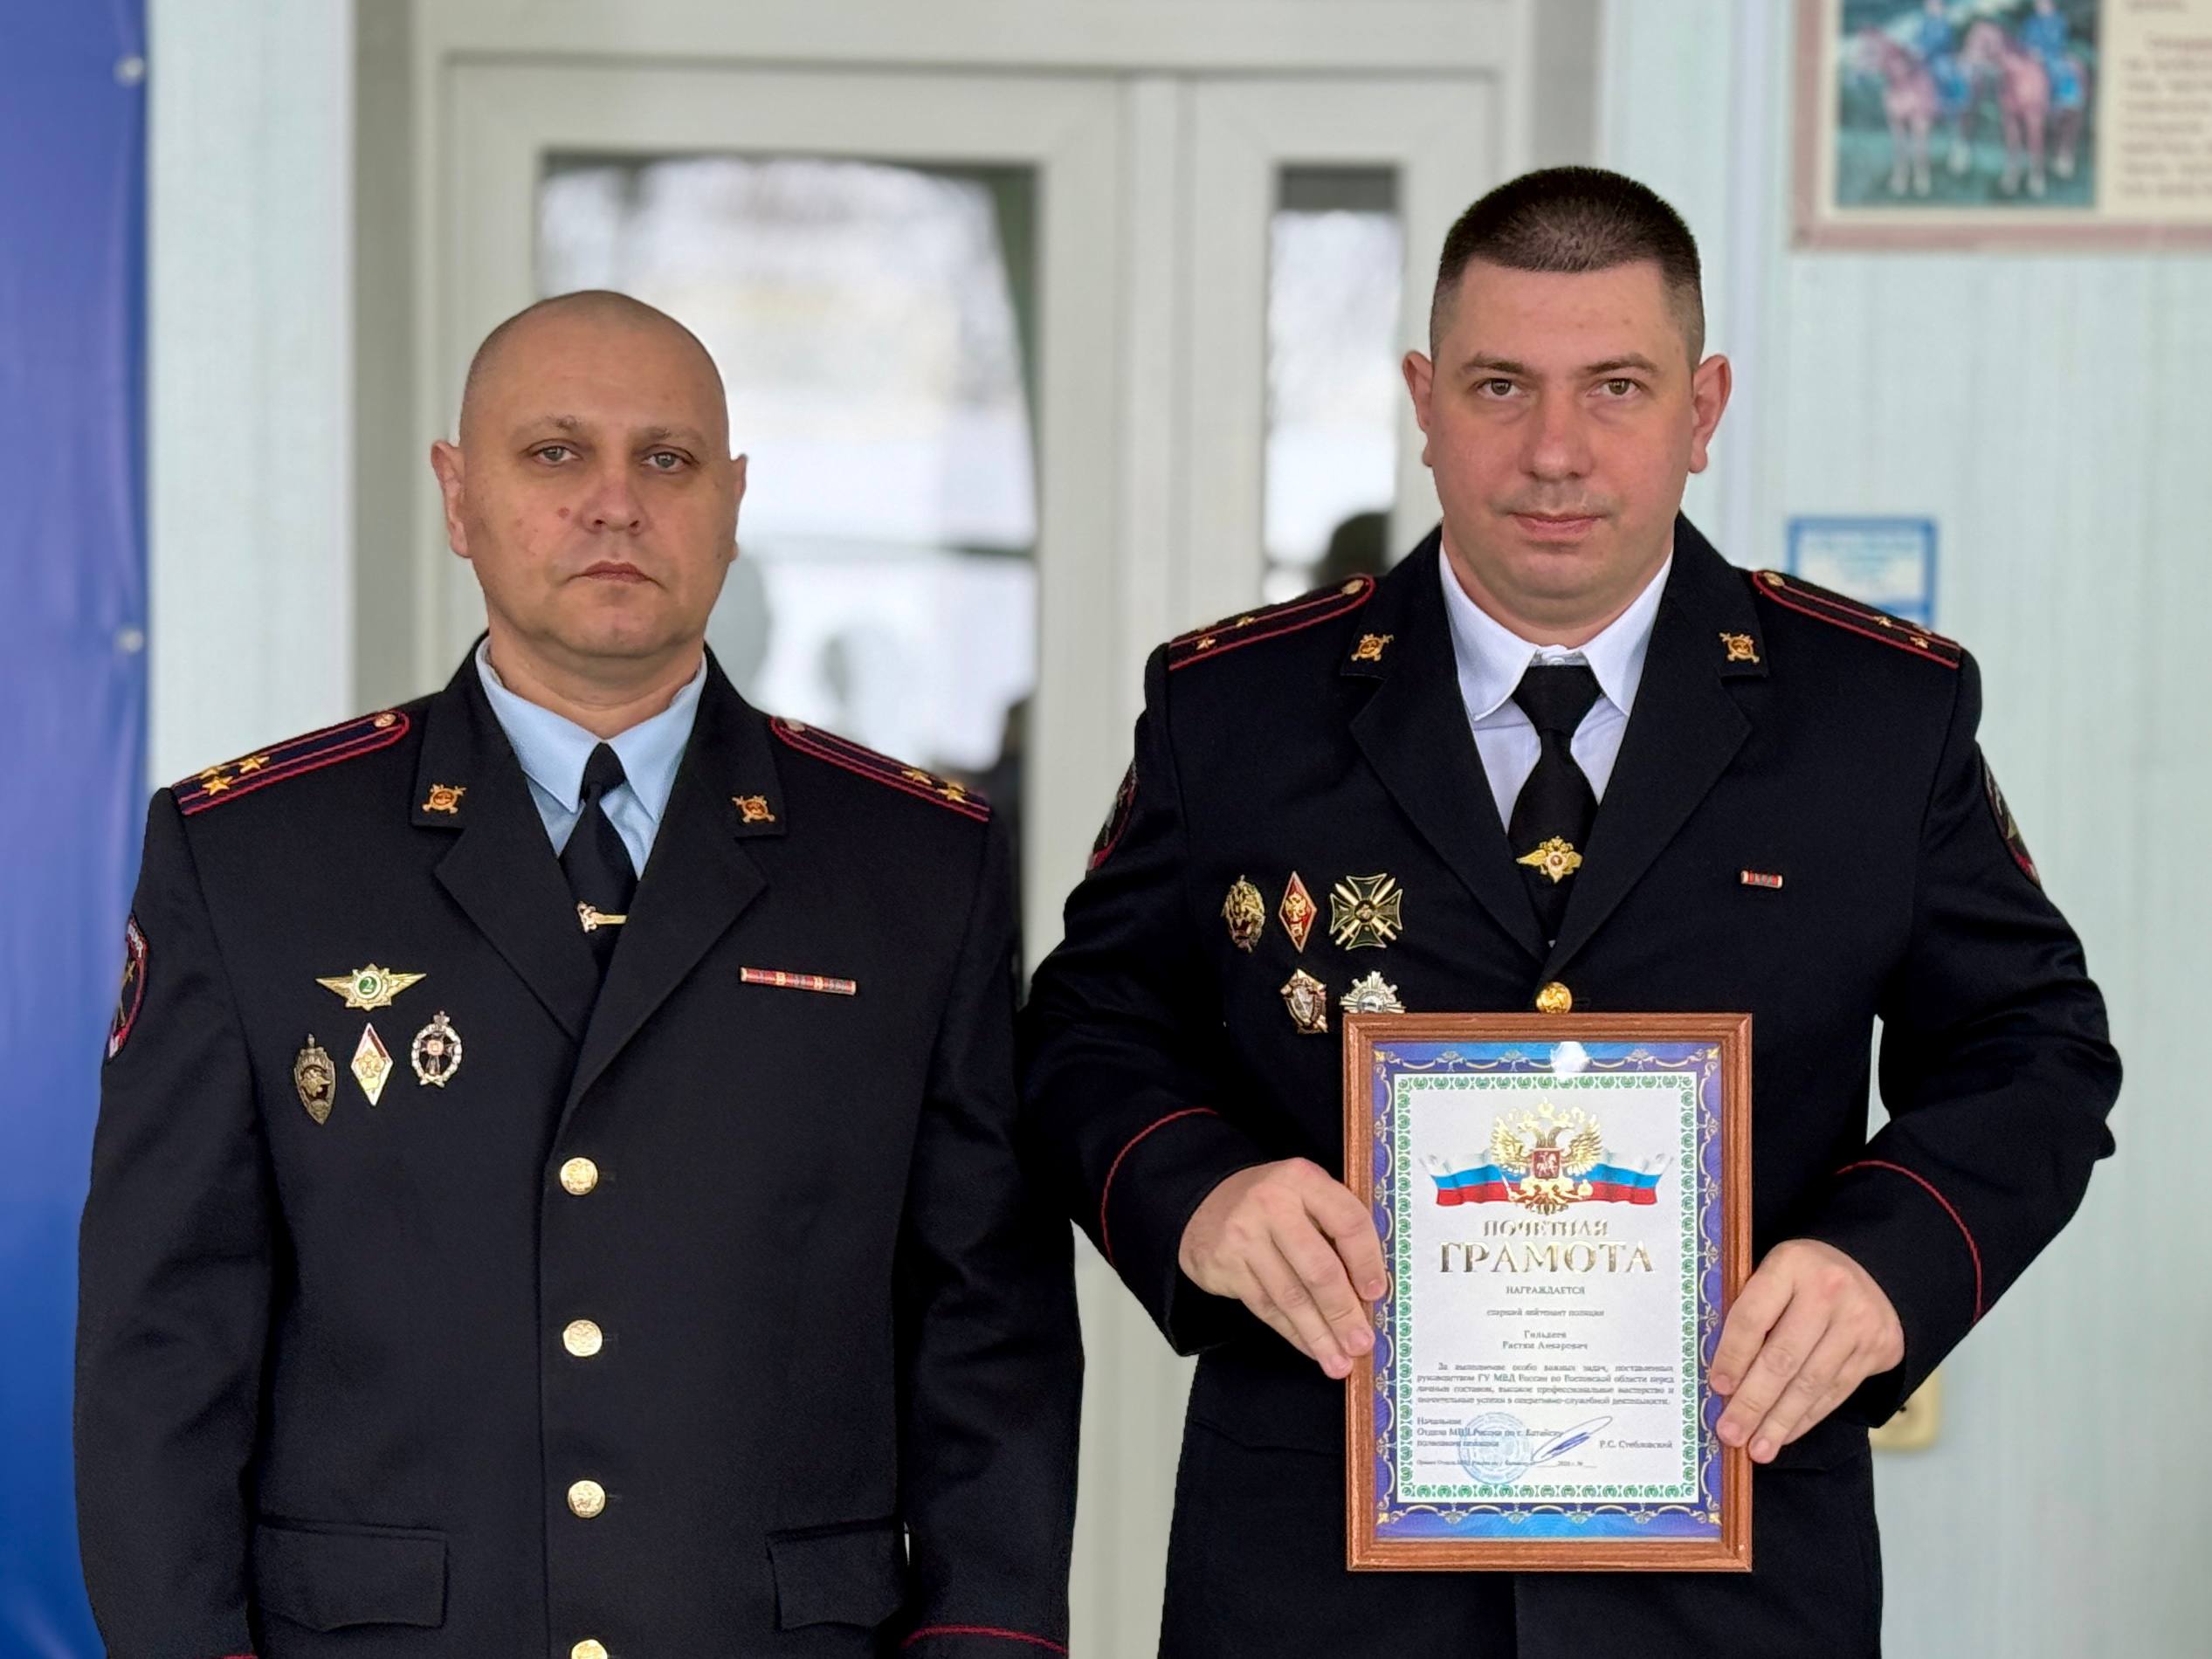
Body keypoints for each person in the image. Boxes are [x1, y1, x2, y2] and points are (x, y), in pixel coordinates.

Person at [1019, 167, 2117, 1657]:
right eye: (1498, 387)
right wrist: (1195, 1193)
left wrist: (1885, 1260)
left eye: (1614, 386)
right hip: (1313, 1573)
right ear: (1422, 402)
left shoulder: (1876, 716)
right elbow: (1087, 1029)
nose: (1553, 452)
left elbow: (2031, 1049)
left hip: (1732, 1573)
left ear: (1700, 408)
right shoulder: (1234, 711)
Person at [77, 290, 1080, 1659]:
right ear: (456, 494)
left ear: (732, 503)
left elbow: (988, 1332)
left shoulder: (912, 865)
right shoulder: (255, 854)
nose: (615, 503)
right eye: (555, 453)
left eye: (667, 459)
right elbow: (164, 1339)